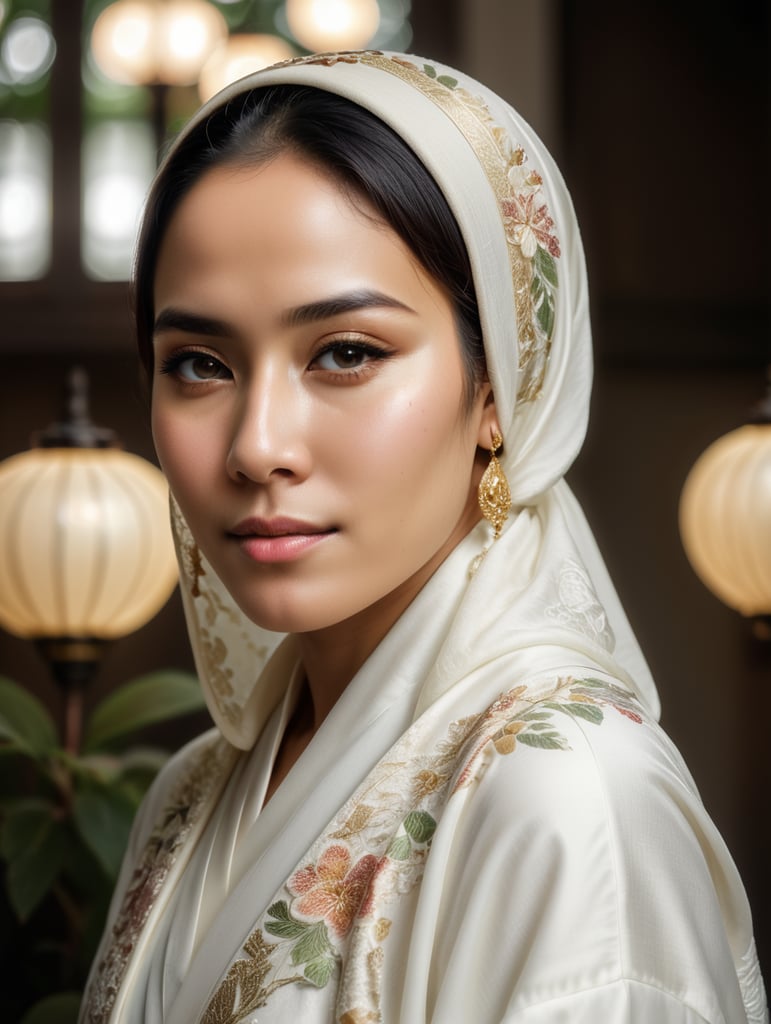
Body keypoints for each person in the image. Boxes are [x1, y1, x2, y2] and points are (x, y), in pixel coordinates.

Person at [80, 52, 767, 1023]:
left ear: (499, 390)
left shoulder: (565, 801)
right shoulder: (189, 799)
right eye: (198, 363)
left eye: (347, 353)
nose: (257, 445)